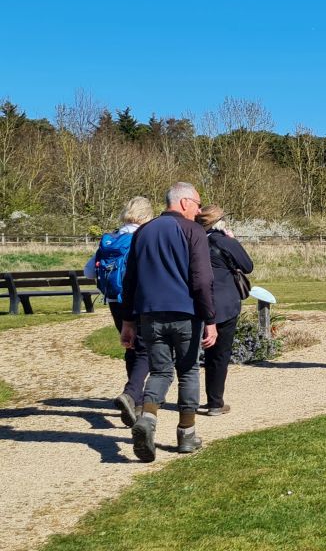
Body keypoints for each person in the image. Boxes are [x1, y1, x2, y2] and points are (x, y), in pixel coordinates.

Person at [119, 182, 217, 462]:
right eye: (198, 204)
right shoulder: (193, 231)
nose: (199, 210)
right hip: (186, 314)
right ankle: (186, 434)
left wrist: (128, 320)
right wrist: (210, 319)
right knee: (188, 371)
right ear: (184, 202)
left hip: (150, 314)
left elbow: (130, 280)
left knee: (161, 371)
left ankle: (147, 419)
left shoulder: (143, 232)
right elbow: (202, 280)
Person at [86, 196, 154, 427]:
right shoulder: (142, 237)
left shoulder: (110, 239)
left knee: (130, 346)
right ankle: (132, 395)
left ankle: (136, 398)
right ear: (147, 216)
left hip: (115, 300)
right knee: (145, 348)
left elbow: (88, 271)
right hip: (138, 298)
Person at [197, 204, 254, 416]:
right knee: (219, 354)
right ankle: (214, 402)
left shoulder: (193, 241)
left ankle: (188, 401)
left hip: (195, 301)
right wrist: (232, 241)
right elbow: (247, 266)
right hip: (224, 302)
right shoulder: (225, 241)